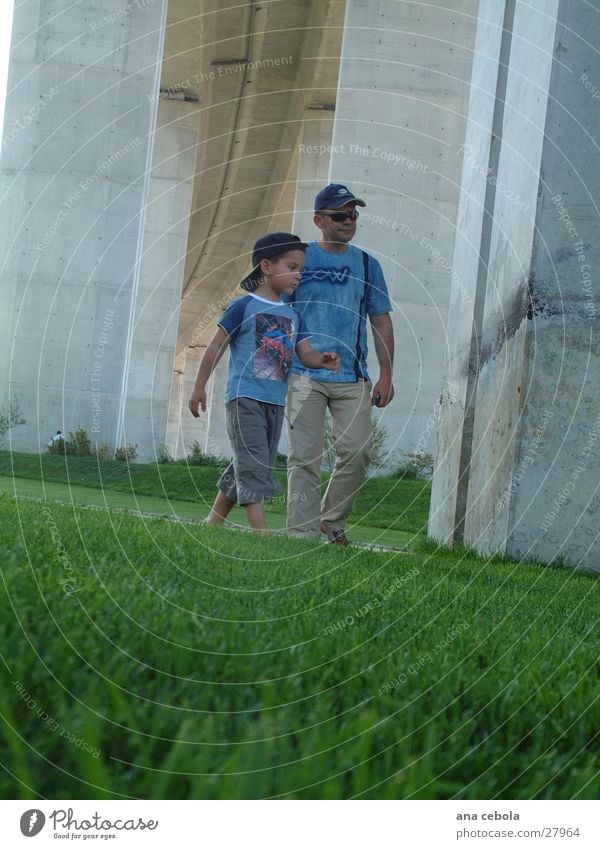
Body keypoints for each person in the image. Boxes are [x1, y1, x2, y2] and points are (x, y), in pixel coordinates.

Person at [188, 232, 340, 532]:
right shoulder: (242, 307)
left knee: (248, 461)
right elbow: (215, 346)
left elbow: (305, 353)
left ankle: (213, 521)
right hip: (245, 398)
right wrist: (198, 386)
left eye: (301, 269)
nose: (298, 275)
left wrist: (321, 359)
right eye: (292, 267)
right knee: (254, 464)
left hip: (275, 401)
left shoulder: (294, 315)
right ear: (267, 267)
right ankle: (261, 534)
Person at [286, 184, 394, 545]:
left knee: (358, 451)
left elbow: (380, 320)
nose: (348, 221)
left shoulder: (367, 264)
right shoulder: (298, 257)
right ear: (319, 220)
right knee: (305, 458)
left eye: (353, 215)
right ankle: (301, 534)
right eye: (339, 215)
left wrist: (387, 374)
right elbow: (274, 308)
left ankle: (331, 521)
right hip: (304, 375)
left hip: (352, 377)